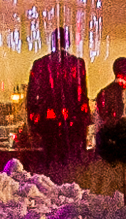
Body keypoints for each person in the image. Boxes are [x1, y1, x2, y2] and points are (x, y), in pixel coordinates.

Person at [23, 36, 92, 175]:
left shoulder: (41, 63)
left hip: (48, 120)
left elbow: (32, 95)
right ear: (68, 43)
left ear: (52, 42)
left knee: (49, 159)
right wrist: (84, 120)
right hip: (72, 120)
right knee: (71, 160)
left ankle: (53, 180)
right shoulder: (77, 63)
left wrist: (33, 122)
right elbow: (82, 93)